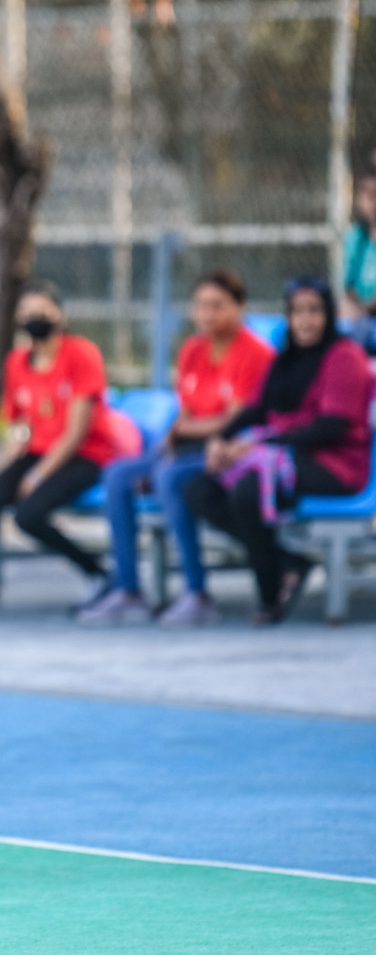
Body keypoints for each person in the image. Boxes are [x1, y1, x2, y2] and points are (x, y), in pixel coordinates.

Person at [79, 270, 274, 627]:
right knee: (118, 475)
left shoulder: (256, 354)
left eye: (217, 306)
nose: (207, 315)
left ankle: (197, 593)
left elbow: (234, 421)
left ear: (239, 307)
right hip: (188, 447)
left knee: (169, 478)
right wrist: (169, 442)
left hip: (230, 453)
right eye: (201, 306)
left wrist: (184, 432)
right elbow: (185, 414)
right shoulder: (192, 350)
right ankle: (128, 590)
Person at [184, 277, 374, 625]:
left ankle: (270, 598)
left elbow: (332, 426)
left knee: (248, 491)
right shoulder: (284, 359)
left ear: (328, 314)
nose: (305, 320)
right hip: (283, 454)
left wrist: (258, 445)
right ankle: (288, 563)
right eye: (297, 311)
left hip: (334, 464)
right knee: (199, 489)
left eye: (314, 311)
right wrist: (221, 440)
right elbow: (255, 409)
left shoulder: (344, 357)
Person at [0, 281, 141, 618]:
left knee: (29, 515)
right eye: (27, 313)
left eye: (42, 312)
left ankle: (97, 573)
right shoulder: (16, 362)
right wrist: (12, 462)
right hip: (37, 450)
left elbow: (76, 430)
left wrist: (37, 475)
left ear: (60, 315)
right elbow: (18, 423)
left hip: (86, 453)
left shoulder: (82, 354)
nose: (34, 319)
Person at [341, 172, 376, 352]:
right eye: (367, 194)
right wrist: (360, 307)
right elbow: (349, 286)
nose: (372, 201)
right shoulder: (355, 237)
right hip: (360, 314)